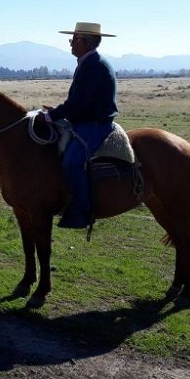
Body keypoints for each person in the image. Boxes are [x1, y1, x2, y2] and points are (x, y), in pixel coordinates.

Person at [36, 22, 118, 229]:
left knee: (72, 161)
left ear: (85, 42)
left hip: (94, 125)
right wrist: (58, 112)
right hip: (86, 119)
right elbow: (82, 102)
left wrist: (51, 116)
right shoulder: (89, 62)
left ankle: (83, 209)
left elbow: (78, 103)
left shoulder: (93, 66)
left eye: (73, 39)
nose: (71, 44)